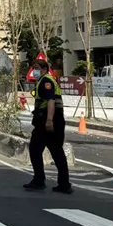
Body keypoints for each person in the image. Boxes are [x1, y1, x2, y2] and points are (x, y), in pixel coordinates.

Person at [23, 58, 73, 194]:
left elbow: (50, 101)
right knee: (57, 152)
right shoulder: (48, 80)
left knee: (35, 150)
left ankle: (39, 180)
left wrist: (49, 120)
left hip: (47, 122)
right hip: (54, 121)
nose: (34, 71)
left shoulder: (46, 81)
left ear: (44, 70)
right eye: (34, 68)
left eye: (37, 68)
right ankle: (64, 184)